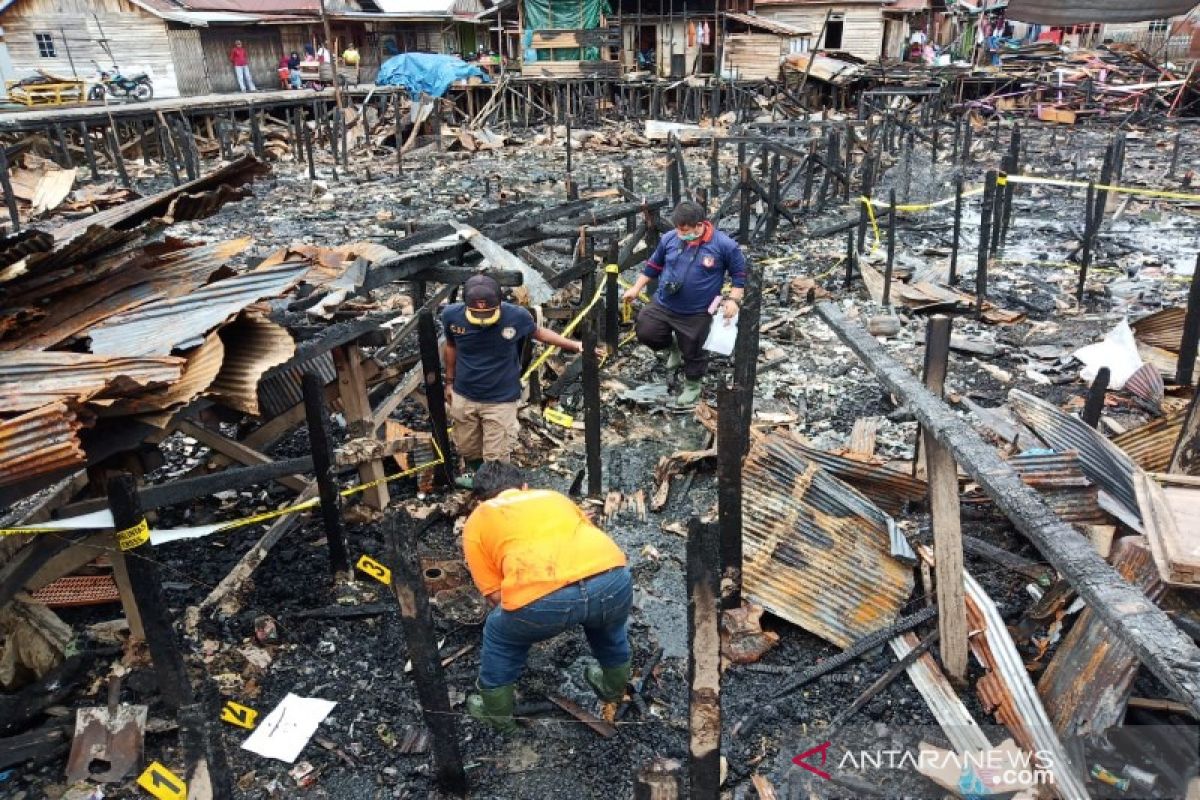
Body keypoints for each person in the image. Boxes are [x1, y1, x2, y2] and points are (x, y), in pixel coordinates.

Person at [462, 462, 633, 733]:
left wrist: (538, 620)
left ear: (480, 499)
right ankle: (612, 689)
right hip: (613, 579)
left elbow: (496, 596)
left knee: (498, 633)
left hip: (542, 601)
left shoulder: (477, 521)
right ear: (524, 486)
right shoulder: (553, 496)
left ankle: (497, 715)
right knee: (609, 629)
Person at [442, 274, 586, 488]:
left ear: (500, 303)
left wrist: (575, 345)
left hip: (500, 398)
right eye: (477, 313)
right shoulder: (451, 316)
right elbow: (451, 347)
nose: (483, 318)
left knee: (496, 454)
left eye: (488, 312)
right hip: (465, 393)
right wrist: (449, 381)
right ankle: (477, 476)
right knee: (466, 445)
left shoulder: (516, 316)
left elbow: (539, 333)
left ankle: (495, 489)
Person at [622, 201, 748, 408]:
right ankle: (673, 348)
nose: (681, 234)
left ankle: (692, 385)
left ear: (700, 225)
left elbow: (739, 275)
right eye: (678, 229)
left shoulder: (724, 245)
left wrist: (733, 300)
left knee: (694, 349)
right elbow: (653, 265)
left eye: (685, 230)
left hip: (697, 311)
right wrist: (636, 288)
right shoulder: (670, 238)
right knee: (646, 331)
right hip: (664, 302)